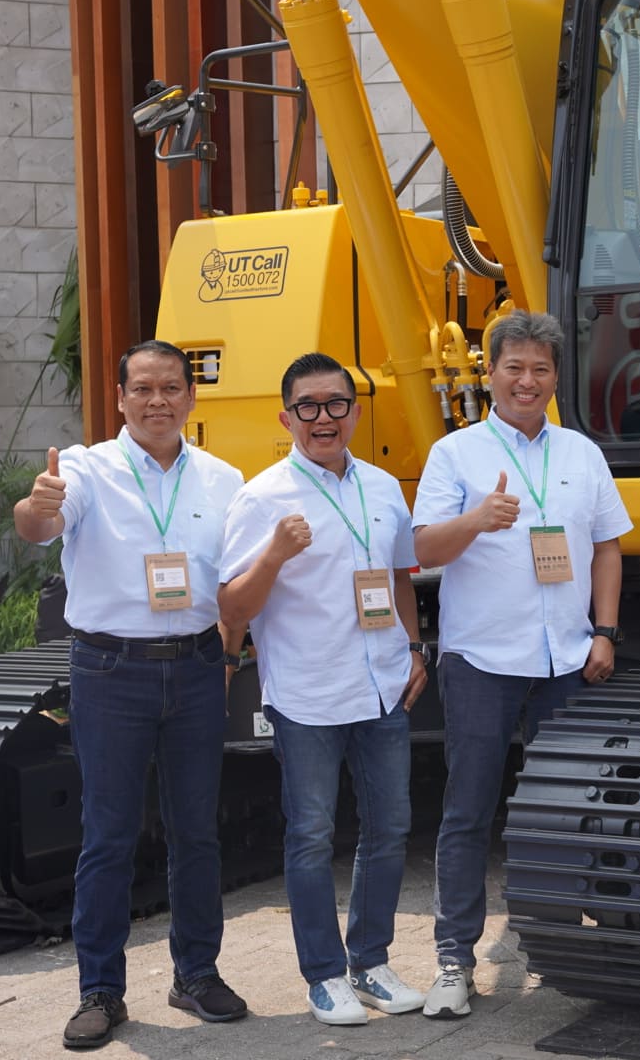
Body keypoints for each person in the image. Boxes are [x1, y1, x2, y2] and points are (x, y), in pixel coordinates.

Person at [13, 340, 249, 1050]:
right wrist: (37, 504)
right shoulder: (86, 470)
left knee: (196, 830)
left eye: (171, 387)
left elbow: (235, 582)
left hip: (200, 667)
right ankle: (101, 991)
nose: (157, 401)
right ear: (119, 398)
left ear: (190, 397)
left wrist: (231, 654)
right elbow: (38, 525)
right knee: (108, 835)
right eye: (142, 388)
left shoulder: (223, 478)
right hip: (111, 671)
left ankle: (197, 974)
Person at [412, 310, 632, 1019]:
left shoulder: (581, 454)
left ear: (554, 377)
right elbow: (425, 550)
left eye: (540, 369)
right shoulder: (455, 454)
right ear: (492, 373)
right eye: (514, 368)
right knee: (467, 811)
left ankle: (556, 942)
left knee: (561, 808)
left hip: (566, 658)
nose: (527, 381)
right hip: (482, 659)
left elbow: (606, 546)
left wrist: (605, 632)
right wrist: (477, 519)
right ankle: (454, 958)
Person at [216, 353, 431, 1026]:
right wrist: (275, 553)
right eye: (307, 406)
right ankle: (323, 975)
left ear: (356, 412)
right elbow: (231, 606)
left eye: (336, 404)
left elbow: (400, 574)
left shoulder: (382, 485)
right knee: (310, 835)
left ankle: (370, 960)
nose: (323, 418)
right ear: (286, 418)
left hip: (381, 688)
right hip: (308, 694)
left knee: (390, 827)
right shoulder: (262, 497)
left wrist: (414, 645)